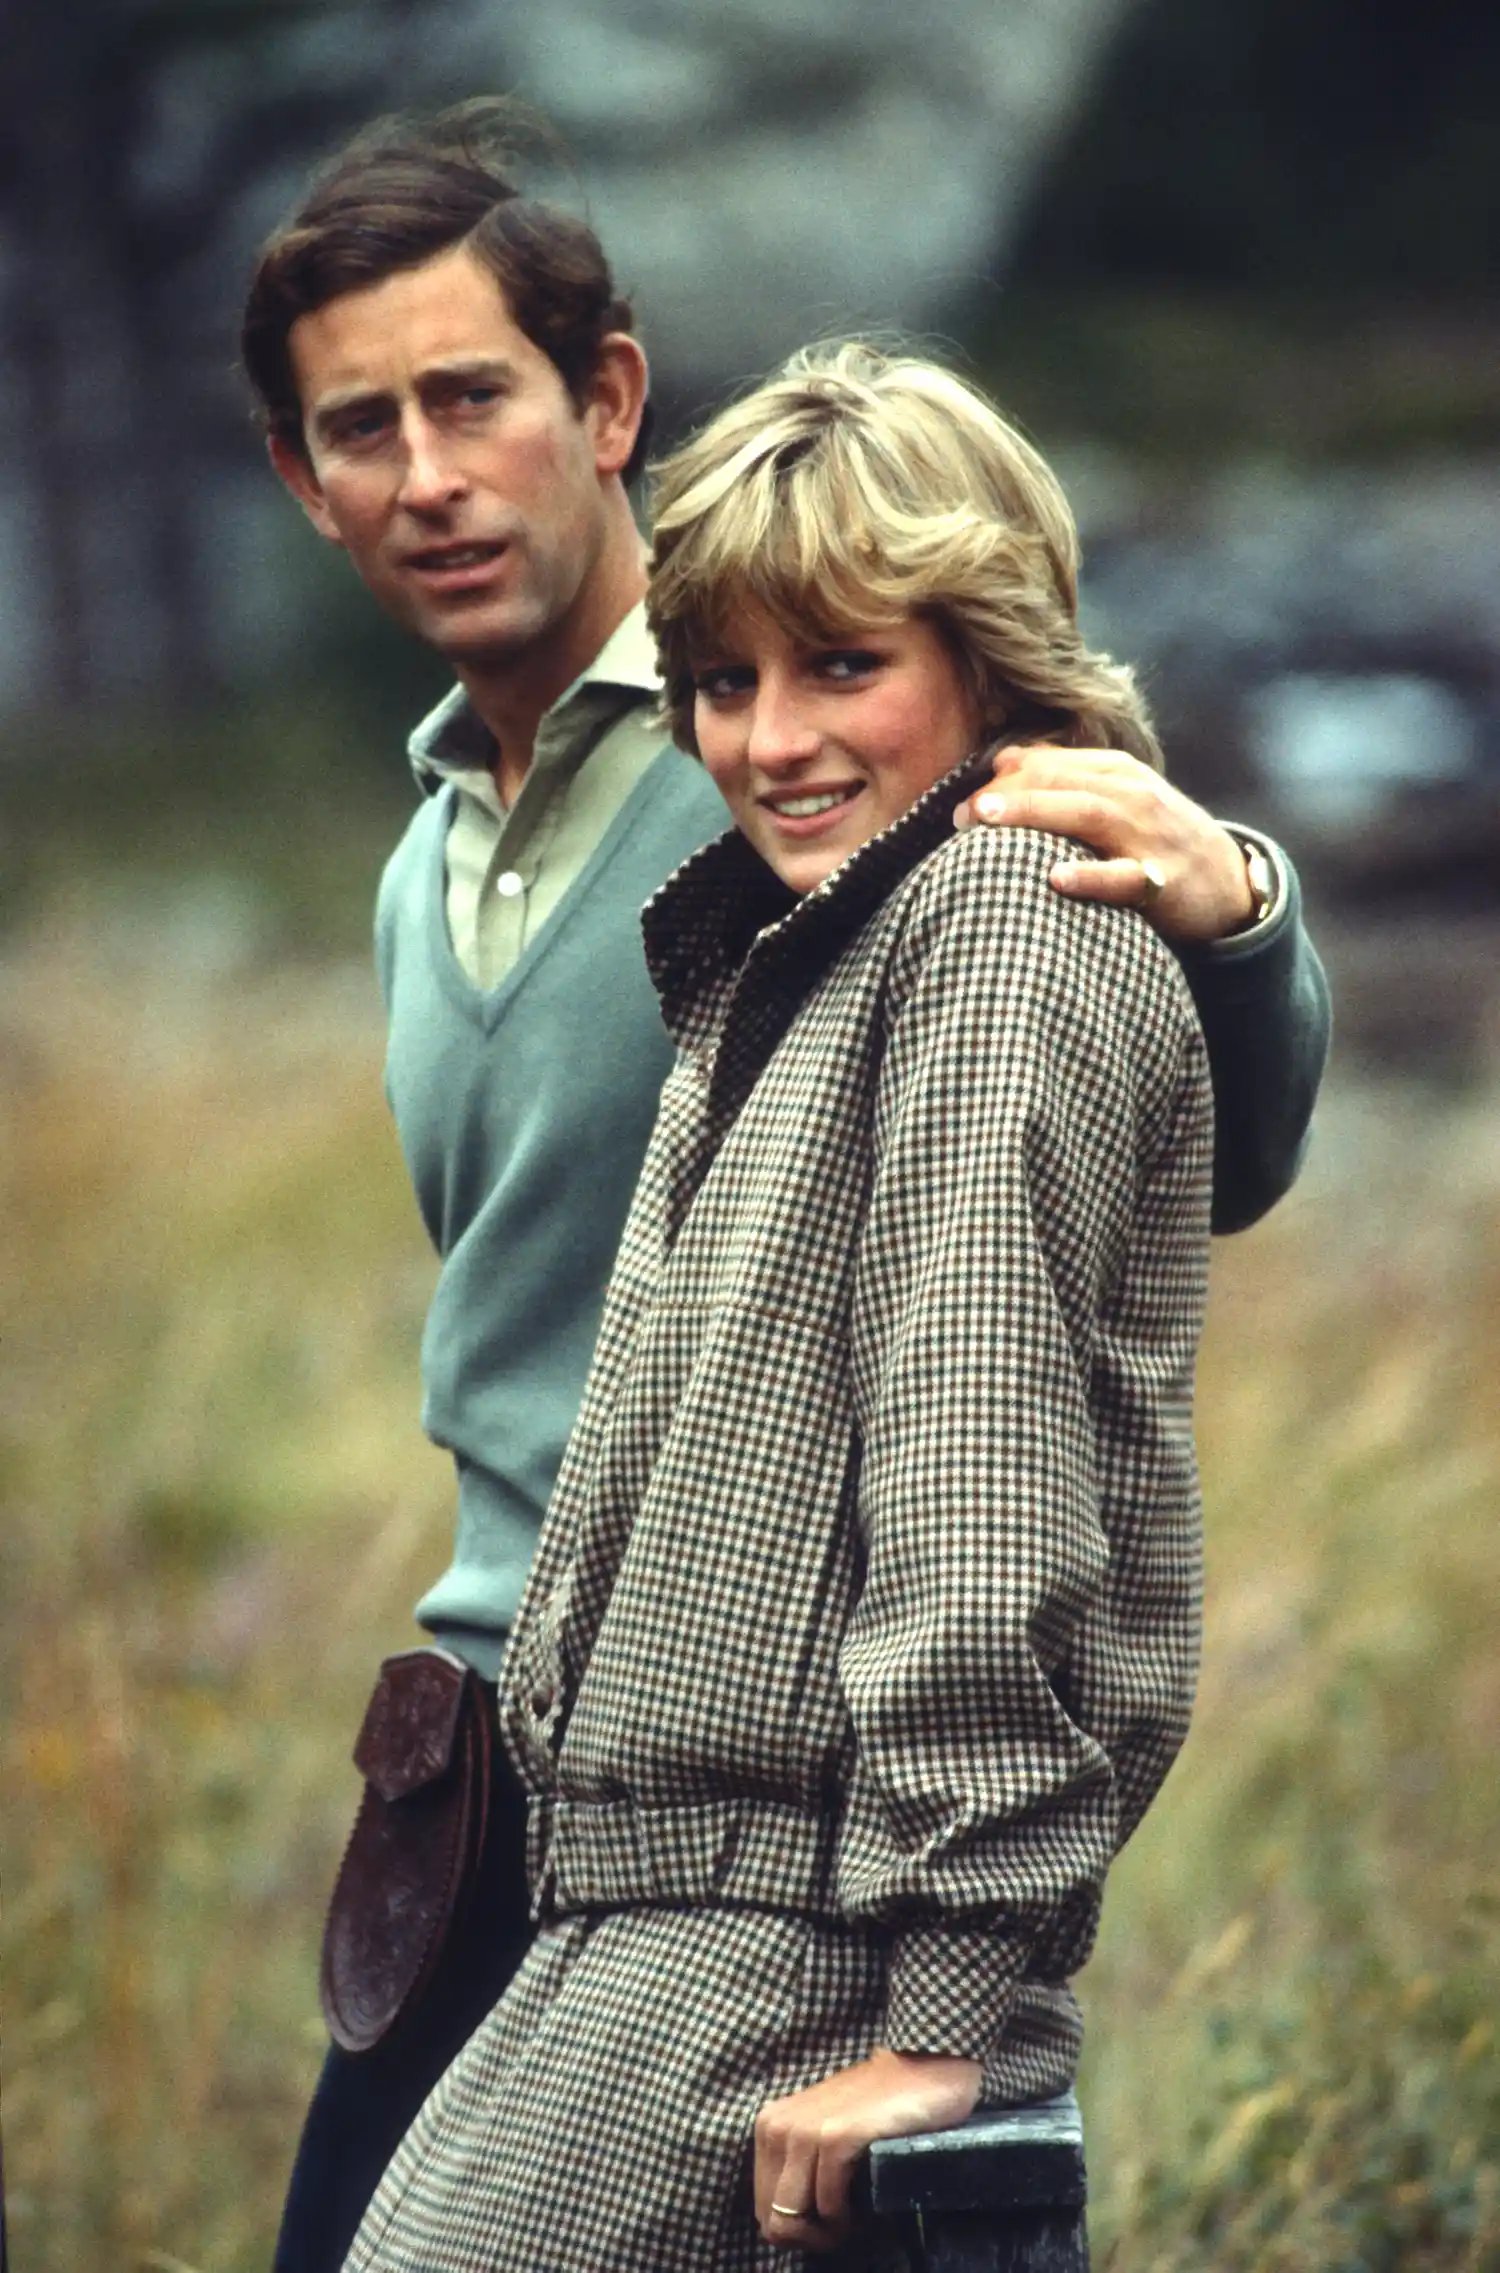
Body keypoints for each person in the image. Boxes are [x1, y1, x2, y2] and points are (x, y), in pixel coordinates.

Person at [240, 100, 1329, 2272]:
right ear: (305, 480)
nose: (430, 471)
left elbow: (1067, 1313)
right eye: (364, 426)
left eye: (475, 396)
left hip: (796, 1803)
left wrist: (1238, 911)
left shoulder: (884, 855)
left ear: (608, 403)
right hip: (509, 1755)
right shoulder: (438, 865)